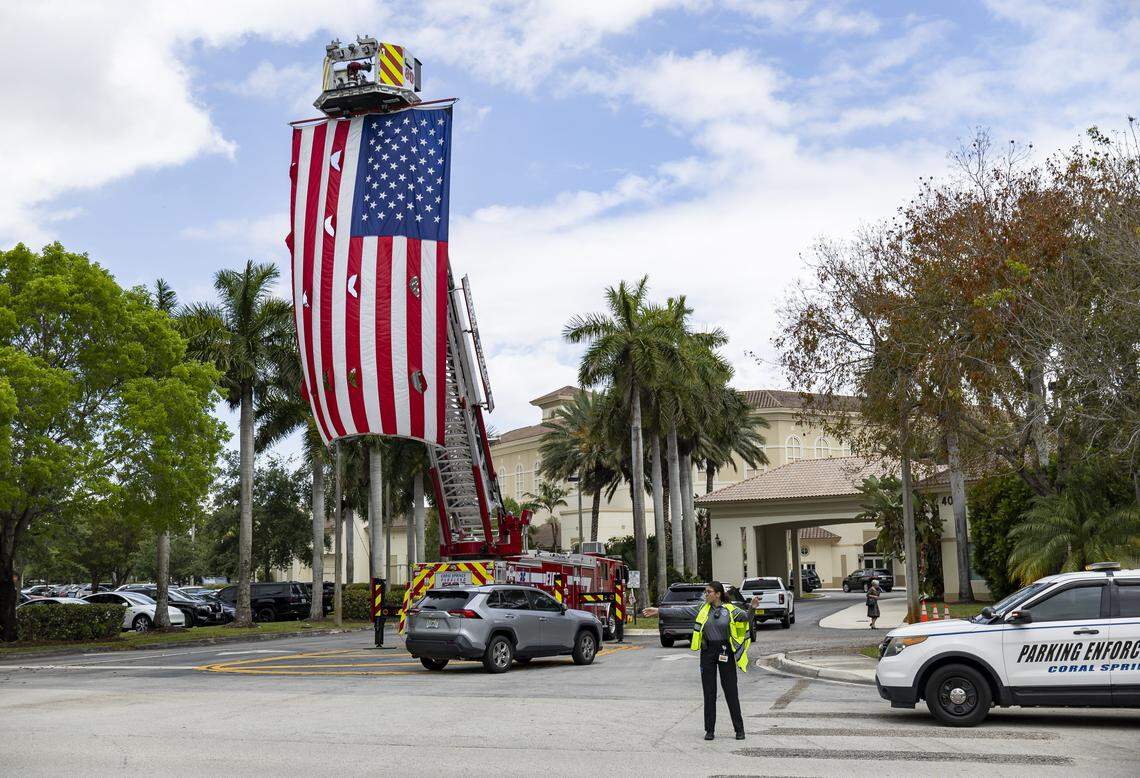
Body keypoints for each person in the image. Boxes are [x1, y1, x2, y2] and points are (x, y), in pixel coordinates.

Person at [643, 582, 759, 741]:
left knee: (731, 691)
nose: (706, 595)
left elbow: (746, 617)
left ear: (717, 594)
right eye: (706, 592)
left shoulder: (731, 610)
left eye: (709, 592)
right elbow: (681, 611)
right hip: (707, 652)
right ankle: (709, 730)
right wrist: (658, 611)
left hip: (725, 650)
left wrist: (752, 607)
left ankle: (739, 730)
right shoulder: (702, 609)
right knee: (709, 692)